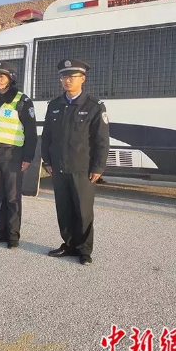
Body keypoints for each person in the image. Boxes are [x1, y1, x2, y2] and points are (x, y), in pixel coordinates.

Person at [41, 59, 109, 265]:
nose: (67, 80)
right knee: (64, 209)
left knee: (83, 211)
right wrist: (47, 161)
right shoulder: (54, 105)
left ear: (83, 79)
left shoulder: (94, 107)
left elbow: (101, 140)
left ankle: (84, 250)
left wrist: (98, 167)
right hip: (59, 167)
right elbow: (47, 137)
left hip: (82, 169)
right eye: (64, 76)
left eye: (72, 76)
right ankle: (69, 244)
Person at [0, 62, 38, 249]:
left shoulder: (22, 100)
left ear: (11, 78)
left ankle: (13, 236)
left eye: (2, 76)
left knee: (12, 197)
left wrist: (28, 157)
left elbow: (30, 132)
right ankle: (0, 232)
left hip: (13, 154)